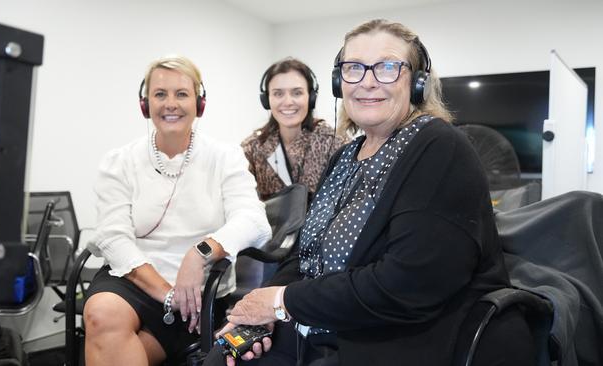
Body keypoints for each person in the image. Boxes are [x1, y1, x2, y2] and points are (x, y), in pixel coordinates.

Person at [205, 19, 534, 366]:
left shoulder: (438, 147)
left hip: (399, 339)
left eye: (388, 67)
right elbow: (305, 256)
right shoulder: (346, 156)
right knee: (222, 357)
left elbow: (407, 285)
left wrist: (281, 302)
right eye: (354, 68)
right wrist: (259, 311)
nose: (367, 81)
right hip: (325, 325)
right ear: (339, 82)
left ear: (418, 82)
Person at [83, 55, 272, 366]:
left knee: (112, 349)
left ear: (199, 103)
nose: (170, 103)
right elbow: (112, 237)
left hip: (199, 294)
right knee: (102, 313)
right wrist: (169, 295)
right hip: (133, 278)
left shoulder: (225, 157)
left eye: (181, 94)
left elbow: (254, 221)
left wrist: (199, 254)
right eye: (160, 94)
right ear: (145, 105)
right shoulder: (120, 161)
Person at [241, 58, 347, 203]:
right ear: (267, 100)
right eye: (278, 94)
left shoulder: (334, 142)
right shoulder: (253, 147)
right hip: (269, 226)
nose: (288, 102)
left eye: (297, 93)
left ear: (311, 97)